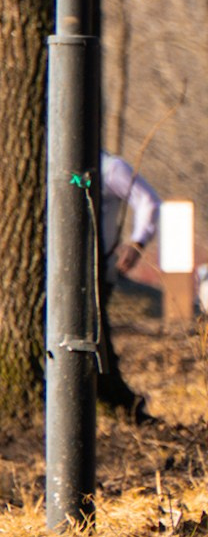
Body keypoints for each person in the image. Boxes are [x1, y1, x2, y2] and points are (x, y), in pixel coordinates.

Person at [95, 149, 162, 417]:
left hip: (98, 268)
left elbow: (148, 201)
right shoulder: (46, 160)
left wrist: (137, 243)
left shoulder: (108, 168)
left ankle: (115, 401)